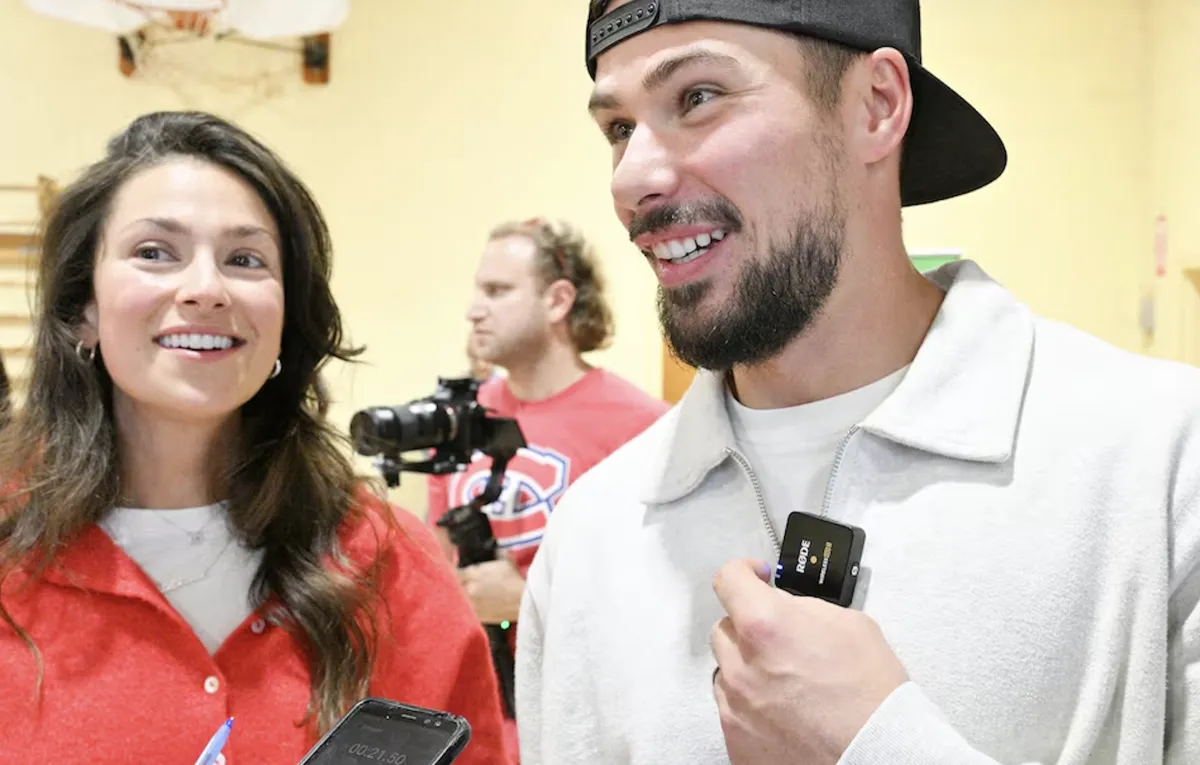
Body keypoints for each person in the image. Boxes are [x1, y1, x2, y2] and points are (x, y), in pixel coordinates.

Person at [515, 2, 1200, 764]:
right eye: (618, 128)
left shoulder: (1164, 466)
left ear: (877, 106)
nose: (632, 179)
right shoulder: (591, 540)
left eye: (698, 96)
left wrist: (875, 744)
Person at [0, 111, 510, 765]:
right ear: (84, 310)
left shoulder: (392, 566)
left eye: (245, 260)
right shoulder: (13, 549)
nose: (205, 289)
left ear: (286, 318)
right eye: (154, 252)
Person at [428, 217, 669, 761]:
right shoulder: (459, 420)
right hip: (471, 723)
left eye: (497, 291)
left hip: (579, 726)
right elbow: (436, 565)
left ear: (558, 300)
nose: (474, 310)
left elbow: (665, 606)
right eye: (478, 291)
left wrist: (531, 601)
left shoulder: (644, 427)